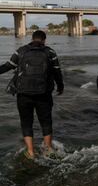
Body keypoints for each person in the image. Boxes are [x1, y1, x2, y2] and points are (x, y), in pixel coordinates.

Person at [0, 30, 63, 160]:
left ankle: (30, 152)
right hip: (44, 93)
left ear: (32, 38)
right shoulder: (50, 52)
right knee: (46, 121)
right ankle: (48, 148)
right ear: (44, 40)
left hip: (23, 94)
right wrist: (60, 86)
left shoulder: (21, 51)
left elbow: (8, 66)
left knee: (26, 122)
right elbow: (57, 72)